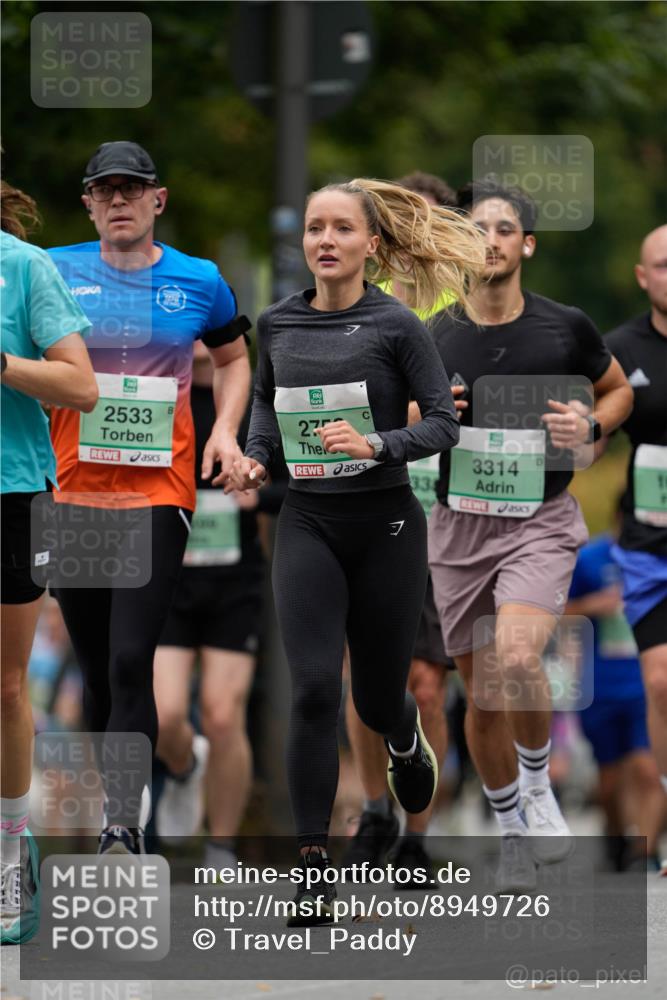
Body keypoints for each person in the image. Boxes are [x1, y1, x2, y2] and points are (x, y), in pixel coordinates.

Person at [228, 178, 486, 925]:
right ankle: (311, 866)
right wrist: (251, 461)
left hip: (387, 528)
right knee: (314, 688)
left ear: (371, 245)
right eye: (315, 228)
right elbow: (266, 423)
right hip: (308, 523)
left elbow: (441, 425)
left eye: (342, 228)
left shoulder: (397, 324)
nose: (326, 240)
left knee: (376, 698)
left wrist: (375, 443)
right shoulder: (275, 325)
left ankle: (404, 737)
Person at [46, 141, 251, 855]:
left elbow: (231, 357)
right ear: (88, 203)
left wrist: (224, 433)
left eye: (132, 189)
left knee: (134, 659)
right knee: (99, 667)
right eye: (105, 191)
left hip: (158, 492)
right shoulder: (52, 270)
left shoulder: (200, 281)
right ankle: (122, 801)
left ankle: (121, 826)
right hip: (71, 491)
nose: (119, 201)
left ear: (157, 200)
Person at [427, 180, 633, 890]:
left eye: (504, 229)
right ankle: (508, 820)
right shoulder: (437, 333)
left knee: (515, 659)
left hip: (537, 522)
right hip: (457, 525)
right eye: (478, 228)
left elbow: (616, 389)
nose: (491, 239)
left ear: (526, 245)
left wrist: (593, 427)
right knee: (481, 695)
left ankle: (539, 783)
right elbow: (401, 420)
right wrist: (433, 412)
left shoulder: (562, 326)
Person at [343, 171, 458, 884]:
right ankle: (370, 810)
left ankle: (417, 833)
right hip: (371, 505)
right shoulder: (360, 300)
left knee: (422, 683)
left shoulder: (462, 306)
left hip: (445, 516)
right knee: (366, 676)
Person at [1, 182, 97, 944]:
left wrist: (2, 362)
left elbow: (81, 387)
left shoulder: (25, 267)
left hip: (12, 492)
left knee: (5, 687)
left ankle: (9, 851)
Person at [154, 340, 286, 866]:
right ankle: (186, 767)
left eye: (216, 333)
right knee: (164, 717)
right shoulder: (164, 397)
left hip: (235, 581)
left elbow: (300, 480)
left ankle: (221, 847)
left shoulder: (260, 406)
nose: (203, 343)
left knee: (223, 715)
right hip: (170, 579)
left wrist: (259, 492)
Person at [605, 225, 667, 836]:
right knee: (661, 680)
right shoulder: (619, 348)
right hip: (652, 544)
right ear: (643, 276)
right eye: (664, 264)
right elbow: (589, 435)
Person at [567, 533, 665, 871]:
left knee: (648, 770)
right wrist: (593, 605)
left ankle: (645, 853)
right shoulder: (590, 559)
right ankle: (615, 838)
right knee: (609, 784)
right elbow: (554, 612)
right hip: (599, 686)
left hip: (646, 685)